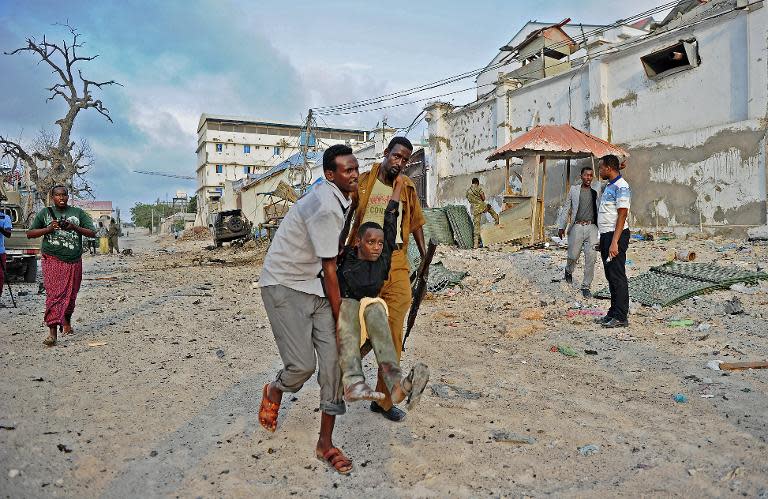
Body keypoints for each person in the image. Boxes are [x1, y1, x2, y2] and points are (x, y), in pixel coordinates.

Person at [258, 144, 358, 474]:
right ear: (331, 175)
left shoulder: (339, 196)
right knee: (300, 368)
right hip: (283, 284)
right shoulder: (327, 205)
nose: (354, 174)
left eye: (355, 168)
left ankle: (325, 444)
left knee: (333, 364)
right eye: (347, 170)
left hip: (311, 282)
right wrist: (339, 313)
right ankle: (275, 388)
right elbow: (330, 269)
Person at [347, 136, 427, 423]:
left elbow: (416, 222)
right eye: (396, 156)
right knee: (355, 329)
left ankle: (383, 401)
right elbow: (348, 219)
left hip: (395, 262)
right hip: (363, 264)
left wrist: (424, 259)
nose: (400, 163)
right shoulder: (365, 182)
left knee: (393, 331)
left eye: (405, 159)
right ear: (385, 153)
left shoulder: (406, 187)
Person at [26, 185, 96, 346]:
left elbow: (92, 232)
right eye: (57, 195)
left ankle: (67, 321)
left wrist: (74, 227)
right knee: (54, 295)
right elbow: (30, 233)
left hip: (74, 261)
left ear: (68, 196)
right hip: (52, 259)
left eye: (64, 195)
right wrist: (48, 229)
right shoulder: (45, 213)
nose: (61, 198)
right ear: (52, 197)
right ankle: (52, 333)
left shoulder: (77, 213)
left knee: (71, 296)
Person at [594, 155, 631, 328]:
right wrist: (603, 240)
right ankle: (613, 312)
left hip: (616, 235)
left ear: (608, 168)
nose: (599, 171)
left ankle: (621, 317)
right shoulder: (611, 185)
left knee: (617, 275)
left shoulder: (621, 186)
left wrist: (614, 242)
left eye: (601, 168)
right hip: (607, 235)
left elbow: (622, 214)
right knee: (610, 275)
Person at [557, 166, 600, 298]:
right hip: (577, 226)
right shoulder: (574, 190)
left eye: (591, 175)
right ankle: (568, 270)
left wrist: (618, 169)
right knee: (573, 255)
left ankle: (586, 286)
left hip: (592, 227)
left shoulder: (596, 189)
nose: (588, 178)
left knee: (591, 258)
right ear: (581, 176)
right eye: (586, 175)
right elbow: (566, 208)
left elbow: (609, 181)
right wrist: (562, 226)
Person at [466, 177, 500, 248]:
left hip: (475, 209)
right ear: (477, 183)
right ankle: (497, 219)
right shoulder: (478, 188)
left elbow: (469, 200)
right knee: (489, 208)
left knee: (476, 226)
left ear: (472, 183)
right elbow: (483, 198)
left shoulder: (468, 191)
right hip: (482, 206)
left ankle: (475, 244)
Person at [0, 210, 12, 304]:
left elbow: (8, 234)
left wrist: (0, 228)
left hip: (0, 252)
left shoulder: (5, 217)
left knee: (0, 276)